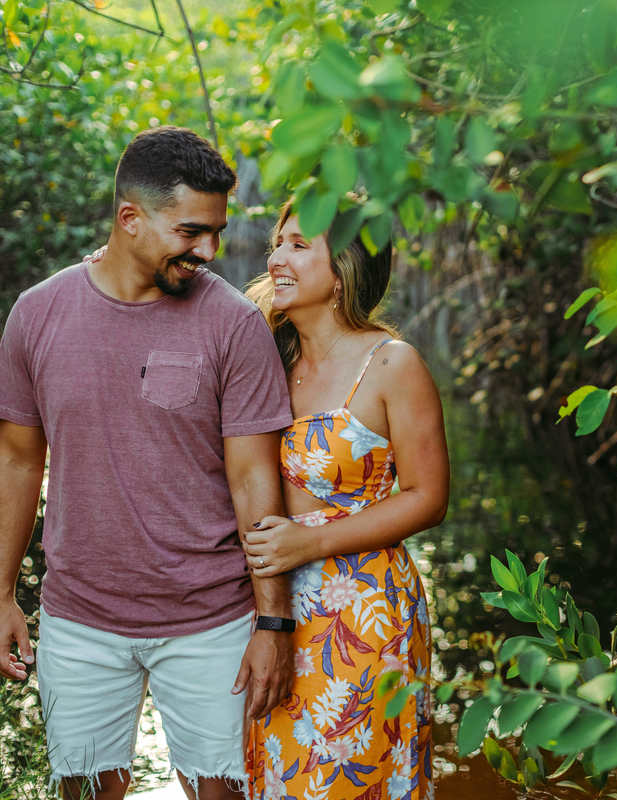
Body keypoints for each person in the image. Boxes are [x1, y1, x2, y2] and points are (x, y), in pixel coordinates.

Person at [0, 126, 296, 800]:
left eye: (215, 231)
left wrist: (272, 621)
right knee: (89, 792)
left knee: (221, 793)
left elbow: (253, 481)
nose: (209, 251)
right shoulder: (38, 314)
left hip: (212, 618)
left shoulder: (234, 324)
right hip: (79, 618)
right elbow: (14, 461)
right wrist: (0, 594)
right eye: (191, 231)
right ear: (130, 218)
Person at [240, 204, 449, 800]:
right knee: (280, 775)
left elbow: (428, 498)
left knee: (353, 781)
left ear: (344, 271)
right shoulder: (266, 356)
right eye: (278, 243)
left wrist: (312, 540)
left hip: (364, 613)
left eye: (298, 245)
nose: (276, 257)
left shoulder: (390, 364)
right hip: (271, 607)